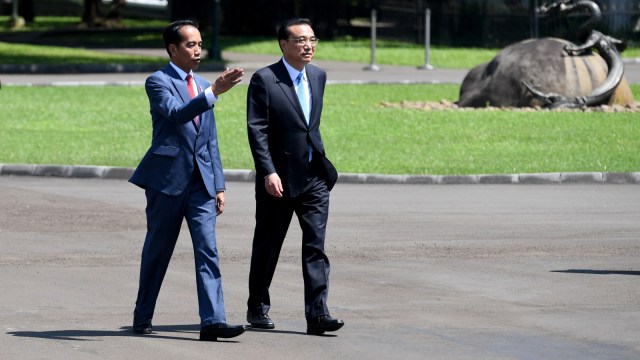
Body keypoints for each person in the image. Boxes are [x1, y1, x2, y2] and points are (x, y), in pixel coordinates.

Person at [129, 19, 245, 342]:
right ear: (172, 49)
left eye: (199, 44)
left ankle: (213, 321)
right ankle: (143, 314)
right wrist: (213, 93)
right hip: (167, 181)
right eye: (190, 45)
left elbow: (210, 140)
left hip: (201, 185)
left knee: (208, 250)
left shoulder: (205, 84)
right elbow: (177, 113)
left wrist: (219, 184)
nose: (198, 50)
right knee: (158, 250)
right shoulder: (158, 81)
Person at [245, 17, 342, 336]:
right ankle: (257, 306)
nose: (308, 46)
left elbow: (308, 125)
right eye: (301, 40)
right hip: (279, 179)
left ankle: (318, 314)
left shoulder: (318, 76)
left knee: (316, 246)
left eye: (312, 40)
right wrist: (268, 171)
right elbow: (257, 129)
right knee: (268, 245)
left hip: (314, 176)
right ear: (283, 44)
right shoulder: (265, 79)